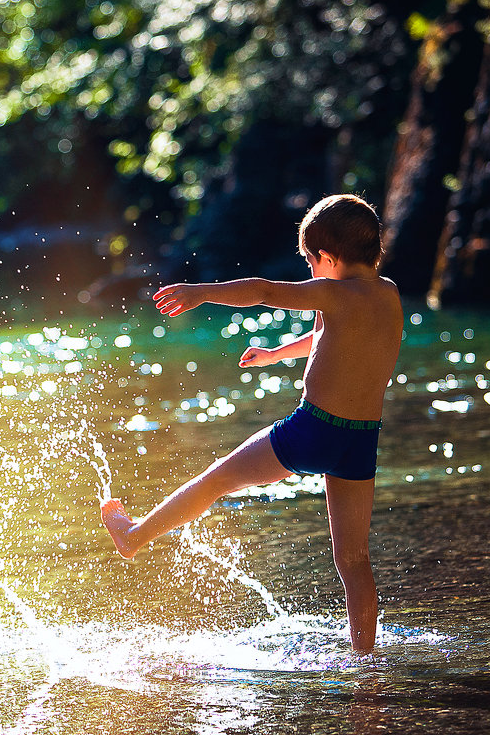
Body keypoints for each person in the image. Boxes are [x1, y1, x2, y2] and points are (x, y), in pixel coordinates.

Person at [101, 194, 403, 654]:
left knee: (217, 479)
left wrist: (201, 293)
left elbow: (263, 290)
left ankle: (134, 535)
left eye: (310, 262)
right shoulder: (388, 294)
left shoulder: (332, 293)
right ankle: (365, 658)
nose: (310, 272)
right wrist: (276, 354)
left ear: (328, 257)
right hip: (360, 441)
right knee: (354, 559)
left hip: (313, 429)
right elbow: (332, 336)